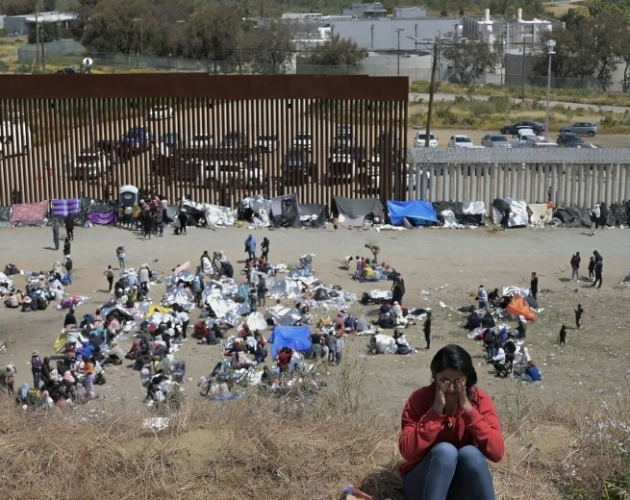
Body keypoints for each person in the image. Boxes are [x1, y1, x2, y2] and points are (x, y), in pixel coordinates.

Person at [399, 344, 504, 500]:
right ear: (435, 376)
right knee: (445, 452)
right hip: (423, 482)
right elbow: (407, 451)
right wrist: (434, 413)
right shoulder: (420, 399)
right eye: (445, 380)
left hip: (459, 487)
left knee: (471, 454)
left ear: (467, 379)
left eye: (458, 381)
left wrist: (470, 412)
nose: (451, 388)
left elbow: (497, 453)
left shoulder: (480, 401)